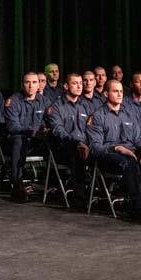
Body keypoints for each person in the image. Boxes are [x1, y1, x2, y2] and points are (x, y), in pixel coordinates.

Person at [85, 79, 141, 218]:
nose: (120, 94)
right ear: (106, 94)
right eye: (115, 91)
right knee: (128, 162)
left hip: (130, 151)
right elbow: (96, 147)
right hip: (109, 155)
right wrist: (117, 147)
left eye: (121, 91)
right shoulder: (97, 116)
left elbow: (137, 137)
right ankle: (138, 206)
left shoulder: (128, 114)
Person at [44, 73, 91, 202]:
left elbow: (92, 128)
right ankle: (80, 197)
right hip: (64, 147)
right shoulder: (56, 106)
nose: (79, 86)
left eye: (80, 83)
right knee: (77, 150)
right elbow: (59, 131)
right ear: (66, 86)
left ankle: (102, 191)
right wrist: (77, 143)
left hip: (86, 145)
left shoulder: (86, 105)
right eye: (75, 83)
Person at [4, 72, 48, 202]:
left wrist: (46, 129)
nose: (31, 86)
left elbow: (50, 120)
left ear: (39, 85)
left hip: (37, 141)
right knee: (19, 139)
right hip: (17, 141)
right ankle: (17, 185)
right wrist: (32, 133)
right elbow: (13, 128)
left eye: (34, 82)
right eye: (27, 82)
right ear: (22, 85)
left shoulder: (44, 101)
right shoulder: (14, 101)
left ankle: (56, 181)